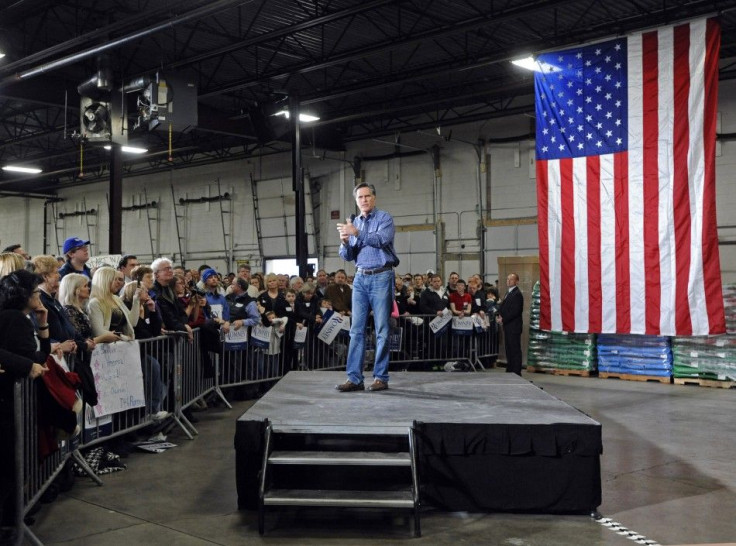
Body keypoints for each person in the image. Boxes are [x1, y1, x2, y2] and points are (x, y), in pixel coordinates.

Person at [0, 270, 50, 542]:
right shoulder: (14, 320)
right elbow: (35, 359)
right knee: (8, 467)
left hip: (10, 401)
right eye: (35, 292)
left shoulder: (18, 318)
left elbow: (39, 358)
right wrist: (28, 363)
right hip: (7, 403)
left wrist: (43, 325)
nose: (39, 296)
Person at [335, 182, 398, 392]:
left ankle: (381, 377)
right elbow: (347, 256)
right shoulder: (354, 222)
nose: (364, 200)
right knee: (356, 331)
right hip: (360, 278)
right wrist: (344, 241)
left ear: (374, 197)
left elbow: (381, 240)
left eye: (367, 196)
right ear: (356, 201)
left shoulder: (384, 218)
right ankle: (354, 378)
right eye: (360, 197)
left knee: (382, 329)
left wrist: (356, 233)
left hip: (381, 275)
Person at [87, 267, 140, 340]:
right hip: (108, 348)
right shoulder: (95, 303)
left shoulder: (116, 299)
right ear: (105, 280)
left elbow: (132, 322)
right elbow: (98, 332)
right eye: (115, 279)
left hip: (120, 346)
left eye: (119, 279)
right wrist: (124, 338)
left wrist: (136, 300)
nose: (118, 282)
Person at [496, 273, 524, 375]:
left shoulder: (517, 294)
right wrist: (499, 315)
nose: (508, 281)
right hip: (508, 326)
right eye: (507, 279)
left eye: (511, 279)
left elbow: (515, 311)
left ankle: (516, 370)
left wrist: (503, 319)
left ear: (516, 281)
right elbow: (504, 307)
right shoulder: (508, 293)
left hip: (514, 327)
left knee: (514, 348)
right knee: (508, 348)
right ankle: (510, 367)